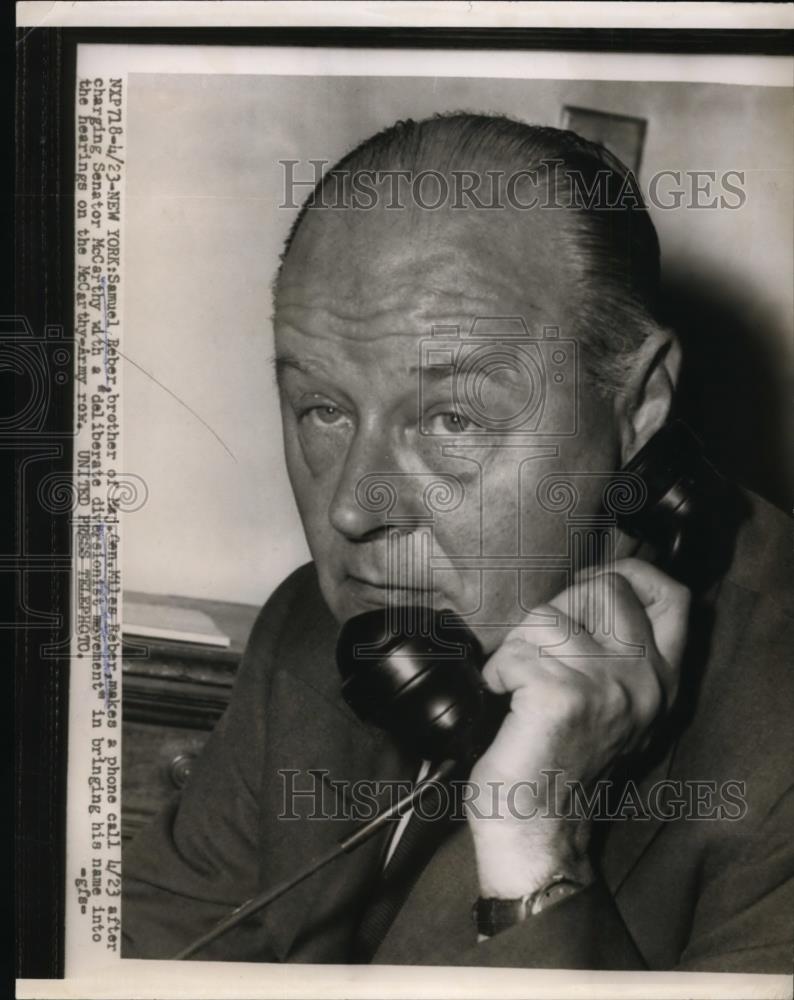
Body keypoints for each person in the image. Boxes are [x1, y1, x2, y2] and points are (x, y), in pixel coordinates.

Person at [122, 114, 793, 971]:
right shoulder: (328, 626)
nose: (353, 513)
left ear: (639, 405)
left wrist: (536, 846)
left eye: (452, 418)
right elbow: (150, 947)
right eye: (323, 409)